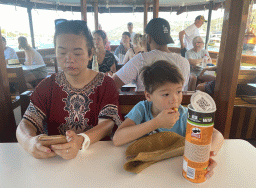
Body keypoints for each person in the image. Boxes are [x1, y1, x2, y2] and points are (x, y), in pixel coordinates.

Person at [16, 20, 122, 160]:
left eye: (77, 53)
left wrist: (80, 140)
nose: (69, 59)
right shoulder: (47, 86)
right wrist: (29, 142)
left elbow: (107, 124)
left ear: (90, 54)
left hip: (97, 159)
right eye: (62, 52)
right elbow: (26, 123)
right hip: (55, 160)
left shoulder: (106, 84)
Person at [113, 60, 224, 179]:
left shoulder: (185, 116)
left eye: (178, 91)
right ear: (148, 96)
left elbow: (217, 135)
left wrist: (206, 154)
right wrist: (156, 123)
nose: (174, 99)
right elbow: (117, 139)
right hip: (143, 171)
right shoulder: (142, 109)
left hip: (173, 172)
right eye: (166, 94)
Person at [113, 18, 190, 92]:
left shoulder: (140, 59)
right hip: (175, 105)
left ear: (148, 37)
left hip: (146, 105)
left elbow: (113, 83)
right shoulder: (184, 62)